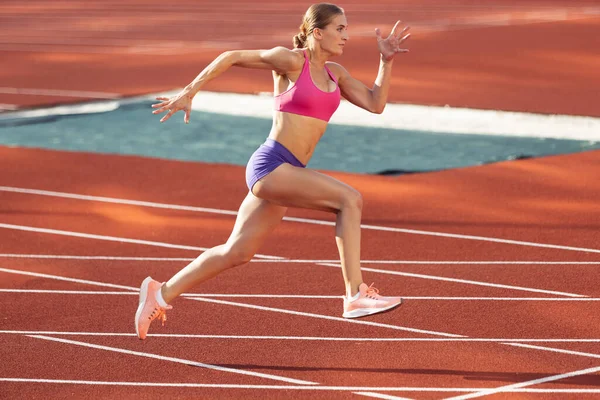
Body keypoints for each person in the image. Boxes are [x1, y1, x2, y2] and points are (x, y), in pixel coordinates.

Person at [135, 3, 411, 340]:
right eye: (339, 29)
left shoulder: (336, 73)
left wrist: (386, 61)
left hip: (289, 171)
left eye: (346, 29)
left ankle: (159, 292)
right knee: (349, 200)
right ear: (317, 32)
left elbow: (375, 104)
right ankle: (355, 294)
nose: (346, 36)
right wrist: (190, 91)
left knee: (237, 252)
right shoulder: (292, 61)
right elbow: (231, 56)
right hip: (271, 165)